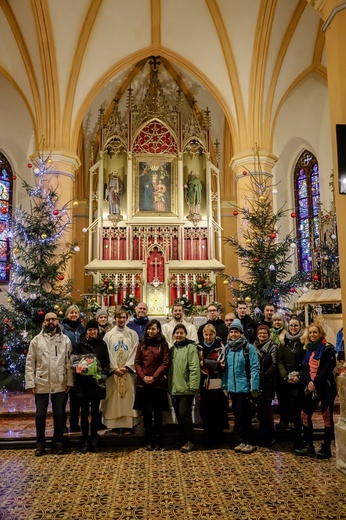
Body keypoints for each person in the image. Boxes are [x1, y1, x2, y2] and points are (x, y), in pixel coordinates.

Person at [25, 312, 73, 456]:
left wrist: (69, 380)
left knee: (59, 414)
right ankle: (40, 443)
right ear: (44, 322)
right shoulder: (36, 340)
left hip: (59, 381)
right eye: (48, 319)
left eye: (53, 319)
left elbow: (69, 362)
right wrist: (30, 382)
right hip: (41, 381)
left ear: (58, 322)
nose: (51, 321)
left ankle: (58, 442)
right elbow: (29, 362)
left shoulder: (65, 340)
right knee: (40, 414)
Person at [295, 322, 337, 459]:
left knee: (326, 417)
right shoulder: (308, 348)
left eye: (315, 332)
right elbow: (304, 367)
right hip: (311, 386)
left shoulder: (327, 348)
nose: (312, 335)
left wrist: (315, 382)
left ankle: (326, 447)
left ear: (320, 334)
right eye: (311, 333)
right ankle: (309, 446)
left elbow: (327, 368)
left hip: (325, 387)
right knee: (305, 414)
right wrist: (308, 382)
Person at [222, 319, 260, 454]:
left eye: (236, 332)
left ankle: (250, 442)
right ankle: (243, 440)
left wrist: (254, 387)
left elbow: (255, 367)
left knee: (244, 415)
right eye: (231, 332)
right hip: (233, 387)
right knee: (238, 415)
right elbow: (226, 368)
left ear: (241, 333)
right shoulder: (228, 348)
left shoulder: (248, 347)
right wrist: (225, 385)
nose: (233, 334)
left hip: (245, 387)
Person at [72, 319, 110, 453]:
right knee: (83, 414)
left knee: (95, 413)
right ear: (86, 331)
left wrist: (103, 374)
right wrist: (84, 370)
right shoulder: (79, 345)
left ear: (97, 330)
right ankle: (84, 439)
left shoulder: (102, 344)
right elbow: (75, 364)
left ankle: (94, 438)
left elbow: (106, 362)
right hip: (83, 384)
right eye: (90, 330)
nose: (92, 332)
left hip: (96, 385)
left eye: (94, 329)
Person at [101, 308, 140, 432]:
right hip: (114, 373)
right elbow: (106, 353)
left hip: (128, 372)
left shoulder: (132, 334)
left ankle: (129, 424)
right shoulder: (109, 335)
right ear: (115, 319)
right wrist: (114, 368)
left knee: (129, 398)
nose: (122, 320)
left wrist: (128, 367)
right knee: (114, 399)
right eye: (119, 317)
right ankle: (114, 425)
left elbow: (136, 351)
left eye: (124, 317)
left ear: (127, 319)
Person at [134, 319, 170, 451]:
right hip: (144, 384)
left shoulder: (163, 344)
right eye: (149, 329)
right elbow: (137, 362)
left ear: (158, 330)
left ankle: (158, 439)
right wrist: (143, 377)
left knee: (158, 414)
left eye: (153, 329)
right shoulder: (142, 344)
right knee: (147, 414)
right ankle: (148, 440)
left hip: (158, 383)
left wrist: (154, 377)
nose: (150, 331)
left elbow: (165, 362)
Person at [168, 323, 200, 453]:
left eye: (181, 333)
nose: (179, 335)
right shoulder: (172, 349)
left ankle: (190, 440)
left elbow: (194, 367)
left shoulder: (191, 347)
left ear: (185, 334)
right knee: (179, 416)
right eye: (177, 333)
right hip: (175, 387)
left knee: (184, 414)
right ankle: (182, 439)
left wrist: (193, 386)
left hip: (187, 387)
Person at [277, 315, 305, 449]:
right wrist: (286, 376)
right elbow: (280, 361)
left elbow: (306, 362)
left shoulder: (304, 341)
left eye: (296, 325)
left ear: (300, 327)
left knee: (298, 411)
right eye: (291, 325)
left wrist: (298, 376)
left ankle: (299, 438)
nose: (293, 328)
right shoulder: (283, 341)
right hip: (286, 381)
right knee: (288, 407)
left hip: (300, 380)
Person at [197, 323, 227, 448]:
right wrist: (210, 363)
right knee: (206, 412)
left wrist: (203, 361)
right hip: (203, 383)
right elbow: (195, 364)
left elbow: (220, 365)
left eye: (211, 334)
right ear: (203, 335)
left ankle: (218, 438)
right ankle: (208, 438)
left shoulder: (220, 347)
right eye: (206, 334)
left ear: (215, 335)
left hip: (216, 382)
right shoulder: (198, 347)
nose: (208, 337)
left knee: (217, 411)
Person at [61, 305, 86, 432]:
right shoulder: (62, 328)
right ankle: (62, 425)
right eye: (71, 312)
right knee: (63, 398)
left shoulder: (83, 329)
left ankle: (75, 423)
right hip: (66, 366)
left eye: (76, 312)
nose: (73, 315)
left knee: (76, 398)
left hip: (80, 366)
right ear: (67, 314)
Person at [254, 324, 278, 446]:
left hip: (267, 382)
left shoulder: (272, 346)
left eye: (264, 333)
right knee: (260, 410)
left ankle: (270, 435)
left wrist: (261, 378)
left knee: (267, 410)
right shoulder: (254, 345)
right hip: (256, 382)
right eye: (260, 333)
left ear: (268, 335)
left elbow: (273, 365)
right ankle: (262, 433)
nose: (262, 335)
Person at [270, 312, 289, 431]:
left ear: (283, 321)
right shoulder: (270, 333)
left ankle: (286, 420)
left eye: (279, 320)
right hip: (273, 369)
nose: (277, 322)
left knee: (284, 397)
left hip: (283, 369)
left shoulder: (286, 333)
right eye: (275, 320)